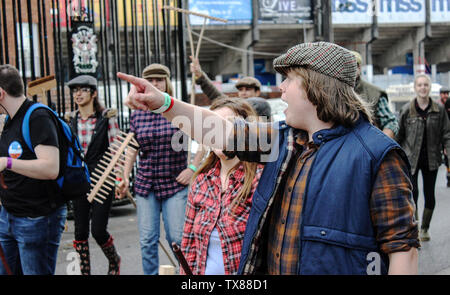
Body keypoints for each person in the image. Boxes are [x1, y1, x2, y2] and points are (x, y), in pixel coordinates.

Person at [117, 42, 420, 275]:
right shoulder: (284, 139)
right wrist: (163, 103)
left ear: (316, 85)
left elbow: (402, 250)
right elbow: (220, 132)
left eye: (289, 79)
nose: (280, 88)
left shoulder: (377, 155)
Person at [117, 63, 202, 275]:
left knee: (177, 239)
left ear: (167, 82)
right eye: (150, 80)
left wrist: (192, 167)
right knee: (147, 240)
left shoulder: (178, 109)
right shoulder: (137, 114)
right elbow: (132, 147)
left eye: (159, 80)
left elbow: (205, 140)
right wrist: (125, 176)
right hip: (146, 185)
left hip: (175, 184)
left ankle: (188, 276)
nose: (154, 84)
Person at [180, 98, 263, 275]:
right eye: (212, 126)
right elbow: (188, 245)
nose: (218, 133)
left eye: (226, 125)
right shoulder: (201, 181)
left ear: (245, 131)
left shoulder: (261, 179)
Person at [0, 64, 66, 275]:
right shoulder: (10, 120)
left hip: (36, 219)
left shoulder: (37, 117)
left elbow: (50, 168)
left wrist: (7, 163)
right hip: (8, 216)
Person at [64, 75, 121, 275]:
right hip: (79, 182)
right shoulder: (70, 120)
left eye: (83, 90)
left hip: (102, 181)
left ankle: (114, 261)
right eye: (75, 90)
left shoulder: (106, 118)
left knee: (97, 230)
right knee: (80, 232)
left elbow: (116, 150)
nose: (78, 94)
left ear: (94, 93)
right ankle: (84, 272)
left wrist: (120, 179)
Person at [397, 74, 450, 241]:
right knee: (413, 194)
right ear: (415, 88)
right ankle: (415, 227)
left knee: (429, 194)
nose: (422, 88)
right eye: (419, 85)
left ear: (429, 87)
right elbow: (399, 135)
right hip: (410, 159)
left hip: (431, 159)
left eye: (425, 85)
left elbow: (447, 134)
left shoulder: (439, 110)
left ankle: (425, 228)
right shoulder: (407, 110)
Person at [351, 51, 399, 139]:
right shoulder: (333, 93)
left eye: (353, 66)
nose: (350, 70)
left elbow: (391, 123)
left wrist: (379, 144)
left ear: (359, 68)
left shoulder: (375, 93)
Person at [190, 56, 262, 100]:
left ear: (257, 92)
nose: (243, 93)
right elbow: (215, 95)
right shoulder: (236, 107)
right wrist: (199, 74)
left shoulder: (263, 108)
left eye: (248, 89)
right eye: (240, 90)